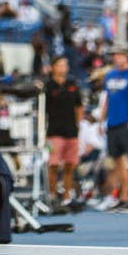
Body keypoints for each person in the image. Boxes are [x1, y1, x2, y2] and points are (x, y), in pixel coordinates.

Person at [99, 45, 128, 213]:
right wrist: (101, 121)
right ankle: (123, 197)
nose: (116, 58)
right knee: (118, 161)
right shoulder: (110, 75)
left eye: (120, 55)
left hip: (127, 122)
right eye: (115, 55)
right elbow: (107, 100)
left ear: (127, 56)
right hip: (113, 122)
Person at [42, 56, 83, 208]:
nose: (63, 68)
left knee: (70, 165)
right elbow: (42, 111)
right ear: (53, 67)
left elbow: (79, 107)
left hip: (71, 132)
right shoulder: (47, 87)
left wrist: (78, 125)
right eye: (59, 65)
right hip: (53, 132)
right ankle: (52, 195)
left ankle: (67, 195)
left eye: (65, 65)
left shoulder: (73, 85)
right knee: (53, 165)